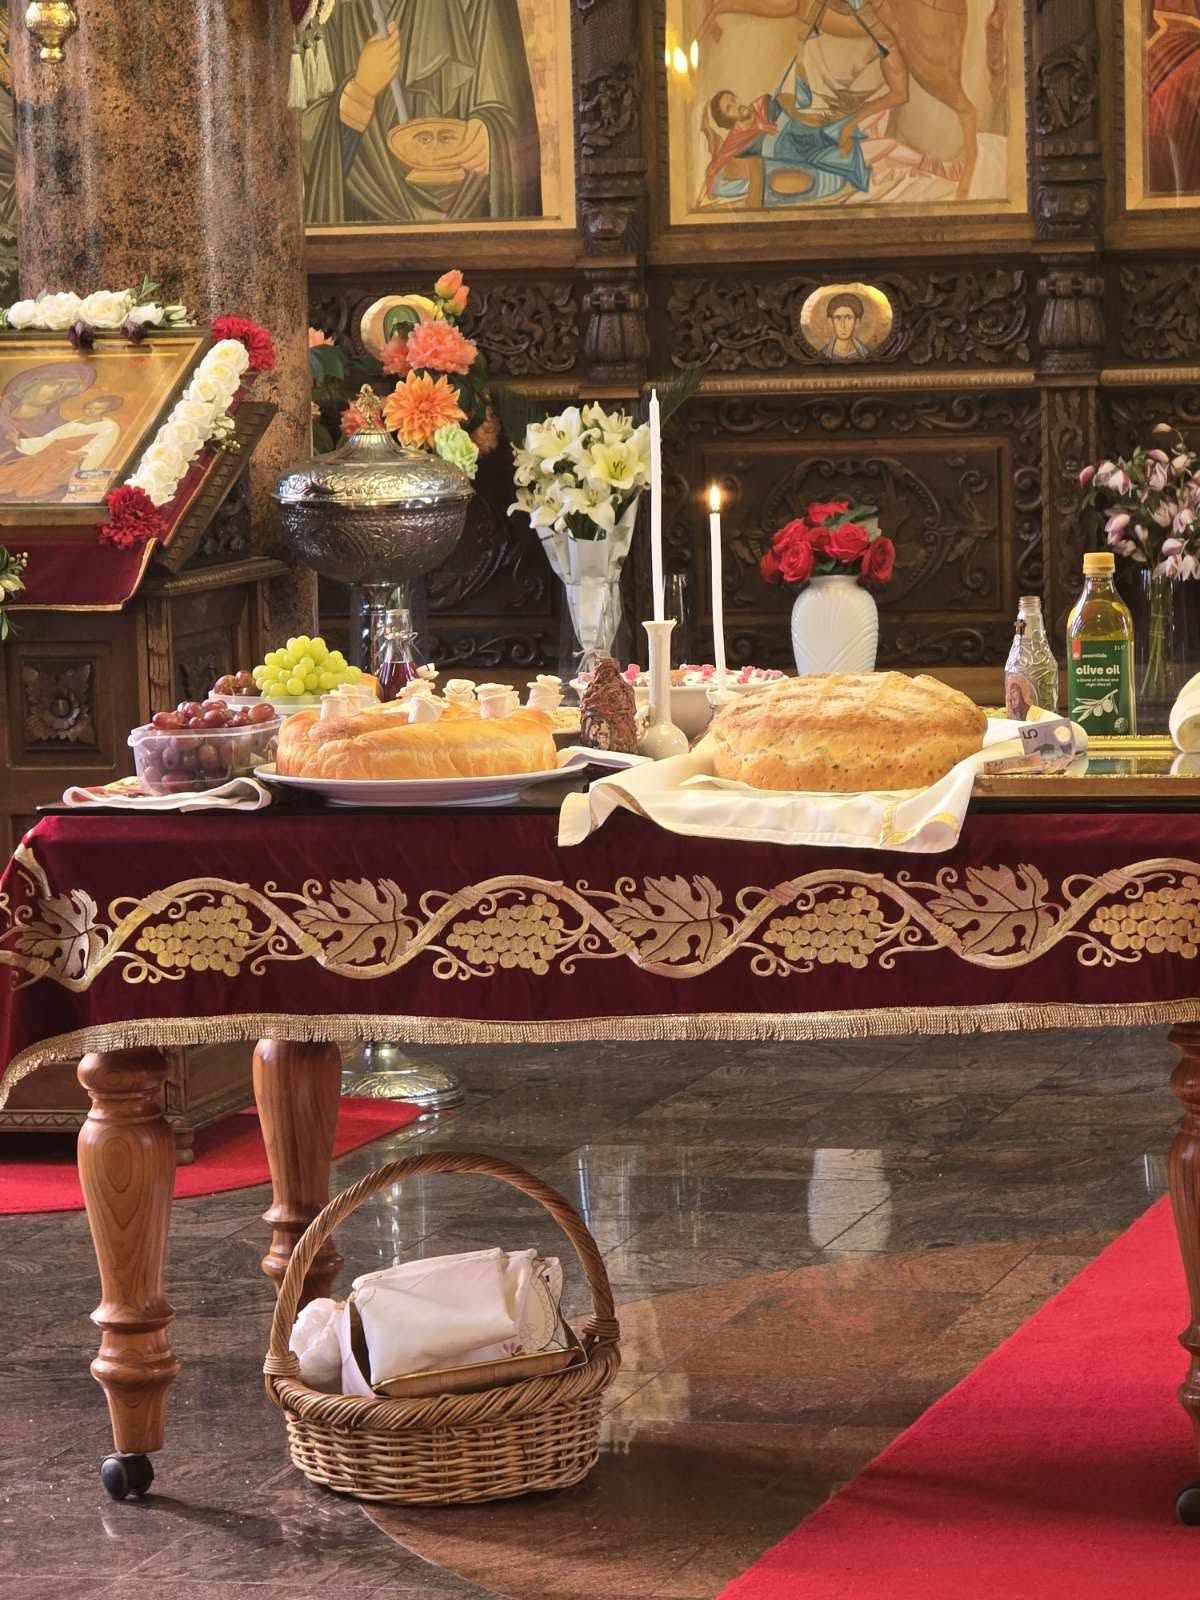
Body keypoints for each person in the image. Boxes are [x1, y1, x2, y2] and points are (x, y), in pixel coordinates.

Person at [302, 0, 541, 225]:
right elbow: (301, 139)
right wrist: (360, 92)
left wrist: (491, 138)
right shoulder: (328, 8)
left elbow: (511, 114)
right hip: (365, 217)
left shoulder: (483, 5)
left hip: (471, 209)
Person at [704, 75, 871, 206]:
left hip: (806, 135)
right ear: (727, 119)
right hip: (796, 157)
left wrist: (787, 103)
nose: (737, 105)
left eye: (733, 99)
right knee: (725, 186)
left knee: (836, 133)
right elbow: (714, 169)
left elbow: (799, 112)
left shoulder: (764, 103)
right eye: (729, 108)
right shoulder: (736, 141)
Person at [0, 394, 124, 503]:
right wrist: (17, 441)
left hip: (71, 458)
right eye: (89, 407)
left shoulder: (108, 426)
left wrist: (81, 453)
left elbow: (101, 444)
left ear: (106, 410)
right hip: (49, 454)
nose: (91, 410)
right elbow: (49, 439)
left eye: (97, 408)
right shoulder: (74, 423)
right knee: (16, 472)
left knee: (38, 482)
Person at [819, 292, 871, 359]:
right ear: (831, 322)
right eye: (838, 318)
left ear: (857, 322)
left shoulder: (867, 354)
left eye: (848, 318)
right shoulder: (822, 354)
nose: (843, 325)